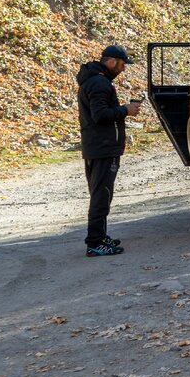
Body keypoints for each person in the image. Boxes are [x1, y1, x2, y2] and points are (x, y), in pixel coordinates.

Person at [76, 44, 142, 257]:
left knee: (101, 193)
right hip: (102, 148)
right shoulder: (100, 84)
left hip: (95, 146)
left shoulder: (94, 80)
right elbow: (100, 114)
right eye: (122, 64)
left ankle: (101, 236)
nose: (123, 69)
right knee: (101, 195)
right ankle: (95, 242)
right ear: (111, 61)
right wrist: (126, 110)